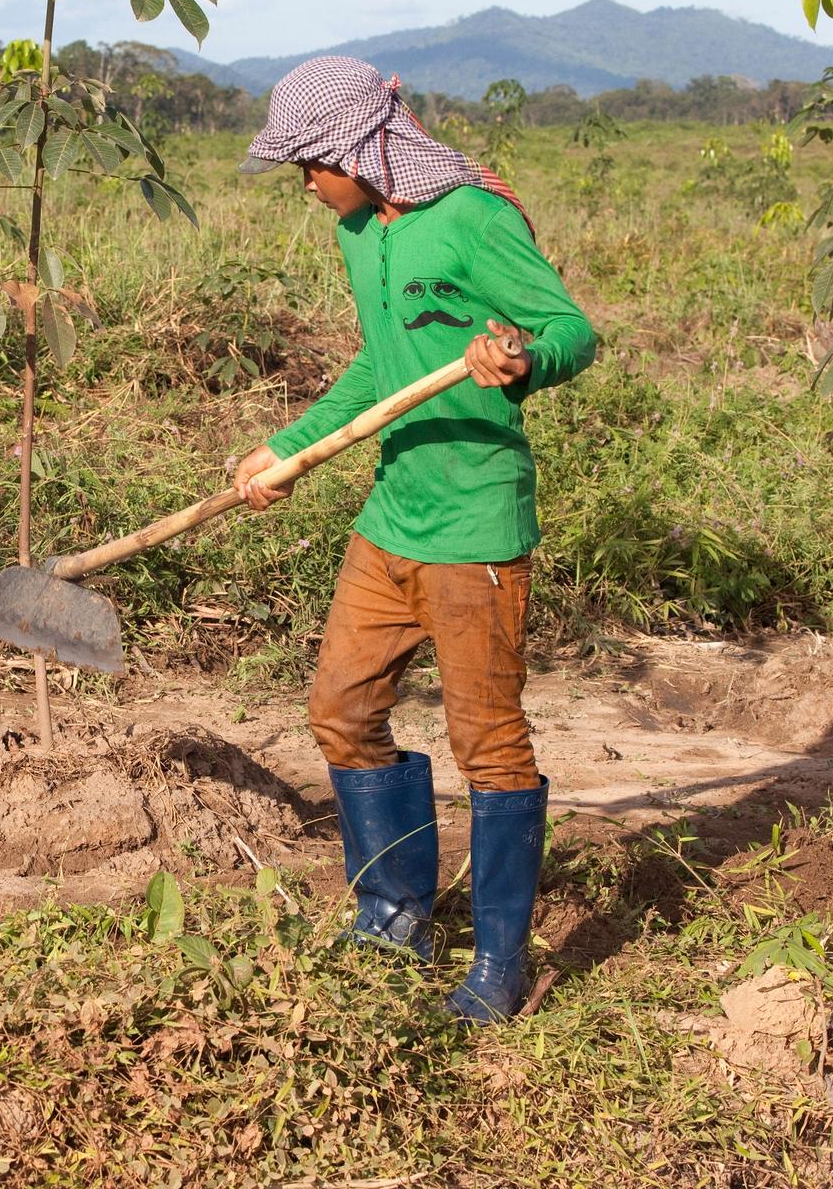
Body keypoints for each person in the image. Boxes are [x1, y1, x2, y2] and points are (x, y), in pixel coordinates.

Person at [230, 57, 595, 1025]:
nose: (306, 186)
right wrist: (290, 448)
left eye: (311, 165)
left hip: (476, 526)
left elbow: (571, 329)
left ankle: (500, 964)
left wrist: (518, 357)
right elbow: (380, 367)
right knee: (340, 708)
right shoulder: (360, 232)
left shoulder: (476, 218)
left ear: (360, 148)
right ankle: (394, 914)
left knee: (489, 743)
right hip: (393, 518)